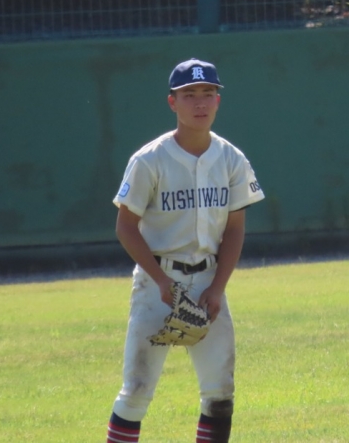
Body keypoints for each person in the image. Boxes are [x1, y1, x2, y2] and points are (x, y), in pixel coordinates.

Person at [106, 58, 265, 443]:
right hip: (157, 282)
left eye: (208, 93)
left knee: (220, 393)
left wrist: (218, 287)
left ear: (218, 101)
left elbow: (235, 229)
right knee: (136, 390)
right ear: (172, 102)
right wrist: (161, 281)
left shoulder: (231, 158)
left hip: (208, 280)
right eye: (189, 94)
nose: (200, 102)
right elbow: (125, 226)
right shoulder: (149, 160)